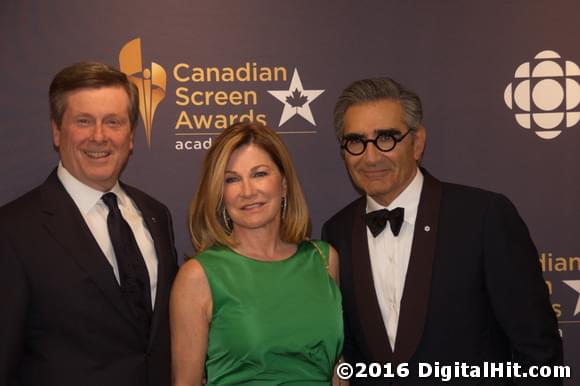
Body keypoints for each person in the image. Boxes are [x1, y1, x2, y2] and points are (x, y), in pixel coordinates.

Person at [321, 77, 563, 385]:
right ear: (344, 151)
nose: (371, 157)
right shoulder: (336, 232)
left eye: (387, 138)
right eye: (356, 141)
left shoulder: (483, 216)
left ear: (417, 143)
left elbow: (538, 350)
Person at [0, 61, 178, 386]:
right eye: (84, 121)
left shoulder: (157, 215)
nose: (99, 136)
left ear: (131, 135)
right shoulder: (12, 231)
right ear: (57, 131)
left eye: (113, 122)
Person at [171, 121, 343, 385]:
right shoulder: (198, 276)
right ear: (219, 193)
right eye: (232, 179)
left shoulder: (323, 259)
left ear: (284, 184)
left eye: (259, 174)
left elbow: (336, 370)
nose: (248, 191)